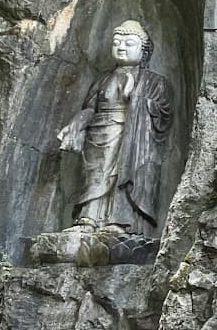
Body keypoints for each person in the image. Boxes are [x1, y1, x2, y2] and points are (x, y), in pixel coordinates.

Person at [57, 19, 174, 234]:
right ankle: (87, 219)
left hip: (134, 138)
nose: (121, 47)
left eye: (129, 43)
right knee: (96, 176)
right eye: (117, 42)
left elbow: (163, 114)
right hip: (101, 135)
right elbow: (90, 108)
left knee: (125, 175)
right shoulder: (103, 79)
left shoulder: (153, 82)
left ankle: (121, 222)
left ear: (144, 50)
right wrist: (75, 125)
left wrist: (135, 97)